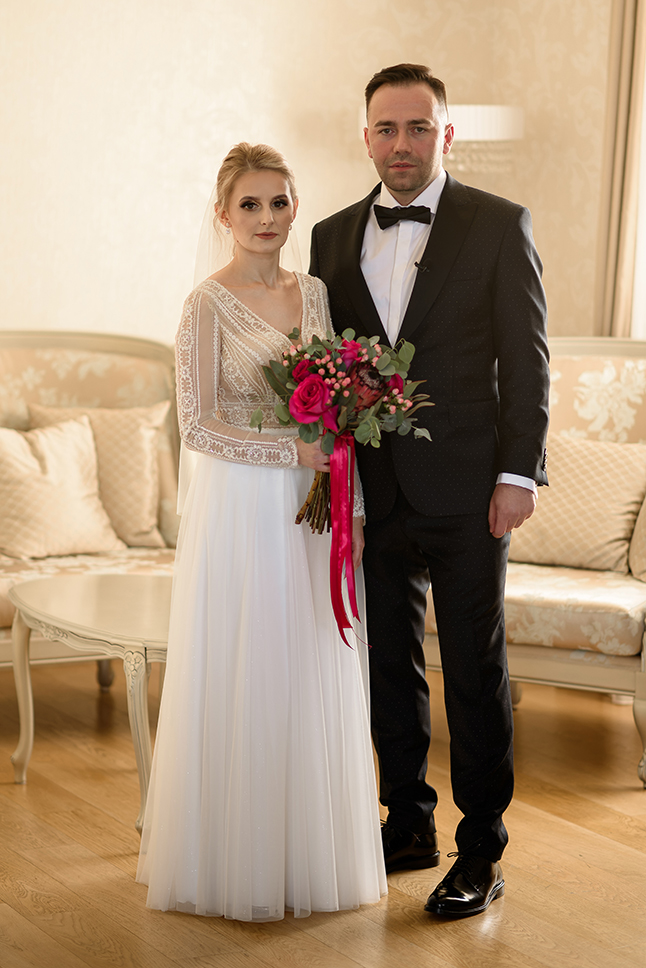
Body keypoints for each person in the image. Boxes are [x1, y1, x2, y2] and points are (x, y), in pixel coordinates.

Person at [310, 64, 549, 918]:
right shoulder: (331, 237)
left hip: (472, 491)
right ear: (366, 137)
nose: (402, 144)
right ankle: (406, 822)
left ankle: (480, 848)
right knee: (388, 665)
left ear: (446, 134)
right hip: (374, 494)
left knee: (475, 671)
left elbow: (527, 360)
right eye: (386, 128)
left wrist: (519, 474)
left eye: (418, 128)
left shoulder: (499, 223)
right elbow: (327, 367)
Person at [136, 142, 387, 921]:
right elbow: (198, 424)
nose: (266, 217)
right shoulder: (204, 305)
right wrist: (286, 451)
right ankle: (236, 862)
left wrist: (349, 500)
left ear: (294, 207)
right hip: (242, 508)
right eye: (250, 204)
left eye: (279, 202)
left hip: (313, 508)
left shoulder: (313, 293)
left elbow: (336, 405)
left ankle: (306, 855)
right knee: (251, 660)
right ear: (223, 214)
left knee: (308, 661)